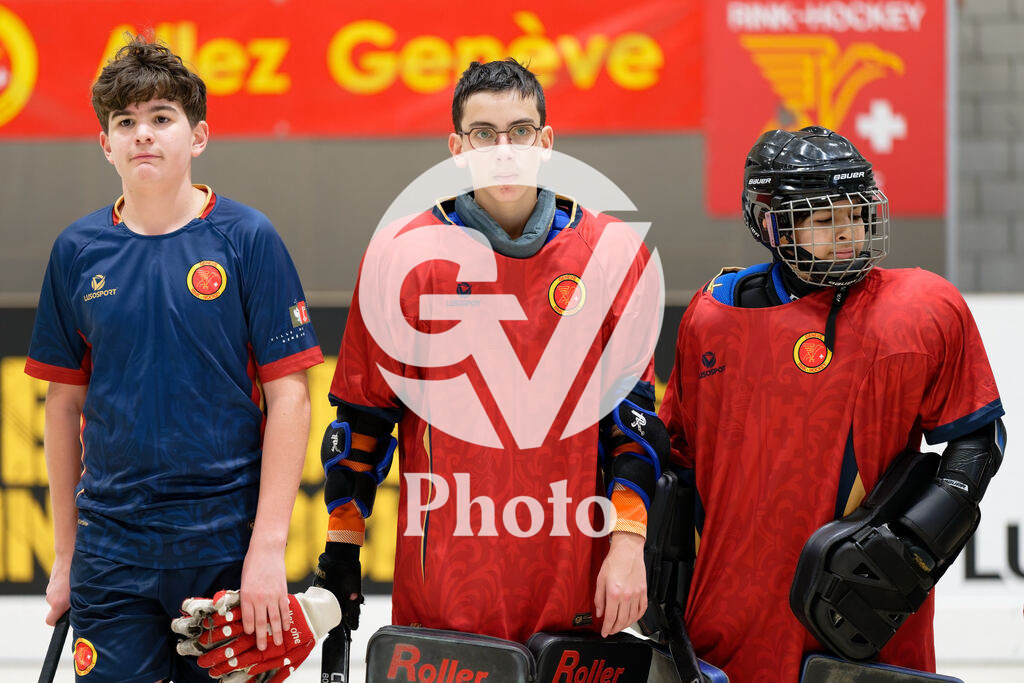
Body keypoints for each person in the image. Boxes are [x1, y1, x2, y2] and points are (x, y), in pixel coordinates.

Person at [310, 58, 667, 646]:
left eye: (520, 132)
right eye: (483, 135)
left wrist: (628, 548)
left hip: (575, 578)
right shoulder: (401, 257)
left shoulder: (611, 252)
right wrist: (343, 547)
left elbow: (634, 424)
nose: (504, 150)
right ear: (457, 148)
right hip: (443, 588)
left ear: (546, 142)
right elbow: (363, 423)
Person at [658, 126, 1005, 681]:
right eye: (823, 220)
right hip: (726, 609)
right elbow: (679, 461)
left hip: (857, 615)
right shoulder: (710, 316)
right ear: (771, 224)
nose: (847, 233)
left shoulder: (922, 309)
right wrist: (663, 592)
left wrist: (910, 550)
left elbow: (977, 441)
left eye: (856, 213)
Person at [25, 36, 323, 682]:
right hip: (112, 552)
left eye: (161, 117)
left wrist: (268, 549)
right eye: (125, 123)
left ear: (199, 135)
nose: (143, 136)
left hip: (226, 545)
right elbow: (63, 405)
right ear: (106, 144)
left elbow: (292, 397)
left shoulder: (248, 239)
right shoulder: (75, 251)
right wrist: (65, 555)